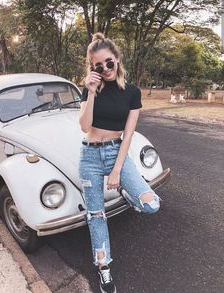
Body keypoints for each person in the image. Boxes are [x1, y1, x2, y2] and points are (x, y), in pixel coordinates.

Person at [78, 32, 161, 293]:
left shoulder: (132, 93)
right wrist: (91, 93)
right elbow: (84, 126)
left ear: (117, 59)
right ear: (93, 68)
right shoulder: (90, 88)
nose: (105, 69)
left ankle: (126, 190)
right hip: (89, 156)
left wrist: (116, 171)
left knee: (151, 205)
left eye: (109, 63)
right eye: (98, 66)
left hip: (116, 153)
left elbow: (128, 137)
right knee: (96, 216)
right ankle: (104, 269)